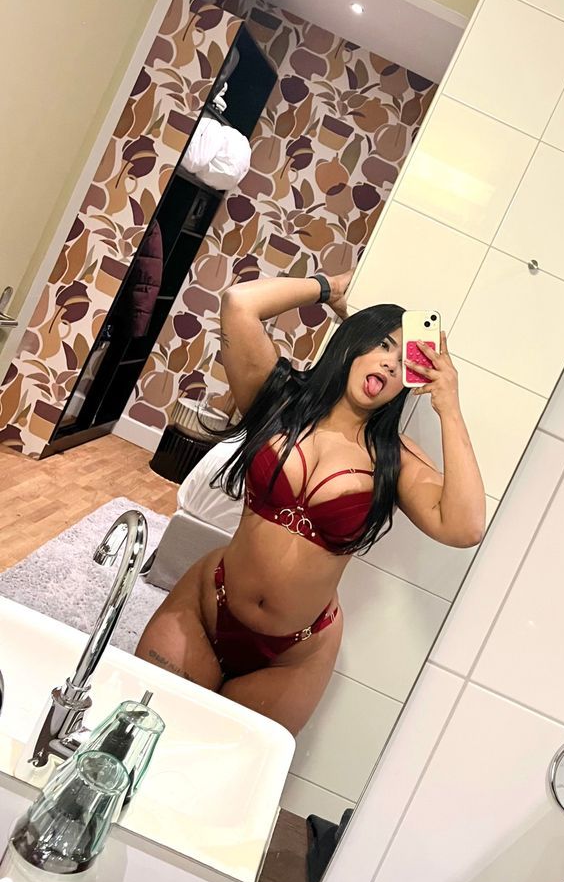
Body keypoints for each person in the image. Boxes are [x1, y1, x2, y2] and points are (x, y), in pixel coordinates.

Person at [136, 270, 485, 735]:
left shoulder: (394, 459)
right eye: (382, 344)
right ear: (353, 344)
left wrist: (449, 406)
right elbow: (239, 304)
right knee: (131, 733)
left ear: (408, 381)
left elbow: (465, 527)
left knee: (219, 768)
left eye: (404, 361)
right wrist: (328, 288)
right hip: (206, 606)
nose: (388, 364)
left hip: (293, 654)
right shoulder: (278, 400)